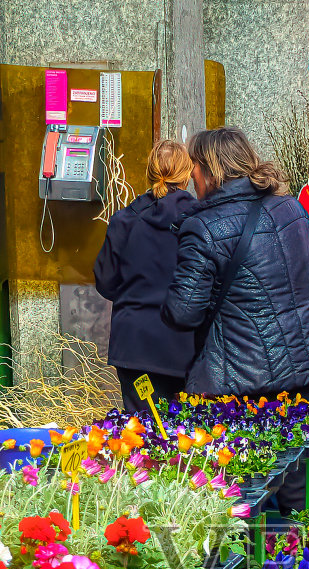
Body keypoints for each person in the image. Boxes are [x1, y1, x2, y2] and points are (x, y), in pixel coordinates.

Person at [164, 128, 309, 511]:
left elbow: (183, 312)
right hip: (306, 373)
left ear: (210, 170)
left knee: (244, 503)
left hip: (243, 386)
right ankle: (305, 568)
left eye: (194, 167)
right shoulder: (291, 207)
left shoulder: (204, 226)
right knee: (306, 501)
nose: (191, 177)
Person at [94, 140, 200, 412]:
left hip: (134, 345)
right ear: (187, 175)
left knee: (140, 437)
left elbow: (105, 282)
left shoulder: (123, 220)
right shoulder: (200, 221)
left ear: (149, 173)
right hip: (185, 346)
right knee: (188, 440)